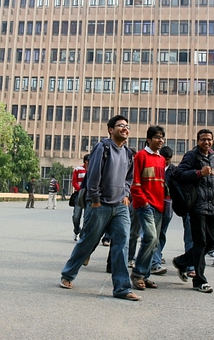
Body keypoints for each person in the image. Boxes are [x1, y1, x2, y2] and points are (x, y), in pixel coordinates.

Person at [60, 115, 139, 301]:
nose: (125, 129)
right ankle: (68, 274)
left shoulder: (128, 153)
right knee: (88, 241)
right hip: (100, 204)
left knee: (122, 245)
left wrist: (126, 195)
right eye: (121, 126)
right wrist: (95, 199)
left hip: (120, 206)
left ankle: (122, 288)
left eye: (127, 126)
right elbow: (94, 173)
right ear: (111, 129)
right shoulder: (102, 148)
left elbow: (129, 177)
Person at [171, 129, 214, 293]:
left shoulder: (211, 156)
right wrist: (199, 173)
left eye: (209, 140)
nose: (206, 142)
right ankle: (199, 280)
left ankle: (182, 261)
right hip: (197, 206)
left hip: (212, 206)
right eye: (203, 140)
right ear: (198, 141)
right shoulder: (191, 156)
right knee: (200, 243)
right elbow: (179, 174)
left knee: (211, 242)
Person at [130, 126, 167, 290]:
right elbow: (134, 182)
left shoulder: (161, 159)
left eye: (162, 137)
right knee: (150, 238)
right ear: (149, 139)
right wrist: (143, 202)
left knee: (154, 242)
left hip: (159, 205)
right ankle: (138, 273)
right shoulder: (140, 156)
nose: (161, 140)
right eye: (157, 137)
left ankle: (144, 275)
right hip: (145, 205)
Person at [151, 145, 174, 275]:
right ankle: (155, 262)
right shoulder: (154, 166)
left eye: (168, 160)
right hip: (153, 204)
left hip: (167, 205)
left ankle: (157, 256)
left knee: (162, 233)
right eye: (165, 159)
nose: (166, 162)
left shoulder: (173, 170)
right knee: (153, 234)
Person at [71, 155, 89, 241]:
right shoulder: (78, 169)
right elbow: (74, 181)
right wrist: (80, 189)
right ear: (86, 161)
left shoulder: (94, 170)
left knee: (87, 216)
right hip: (79, 194)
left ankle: (83, 234)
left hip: (89, 195)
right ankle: (77, 229)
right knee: (76, 216)